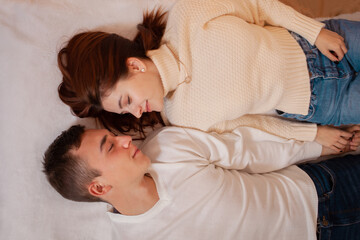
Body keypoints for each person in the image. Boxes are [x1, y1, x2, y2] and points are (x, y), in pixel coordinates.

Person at [57, 0, 360, 151]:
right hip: (324, 104)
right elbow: (255, 125)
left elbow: (257, 6)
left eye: (127, 100)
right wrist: (315, 134)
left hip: (319, 43)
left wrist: (315, 30)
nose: (135, 112)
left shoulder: (186, 16)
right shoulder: (184, 118)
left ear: (135, 66)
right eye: (125, 110)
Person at [43, 125, 360, 239]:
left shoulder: (168, 146)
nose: (126, 139)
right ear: (99, 188)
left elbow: (251, 150)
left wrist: (327, 143)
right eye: (110, 146)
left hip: (322, 189)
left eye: (114, 136)